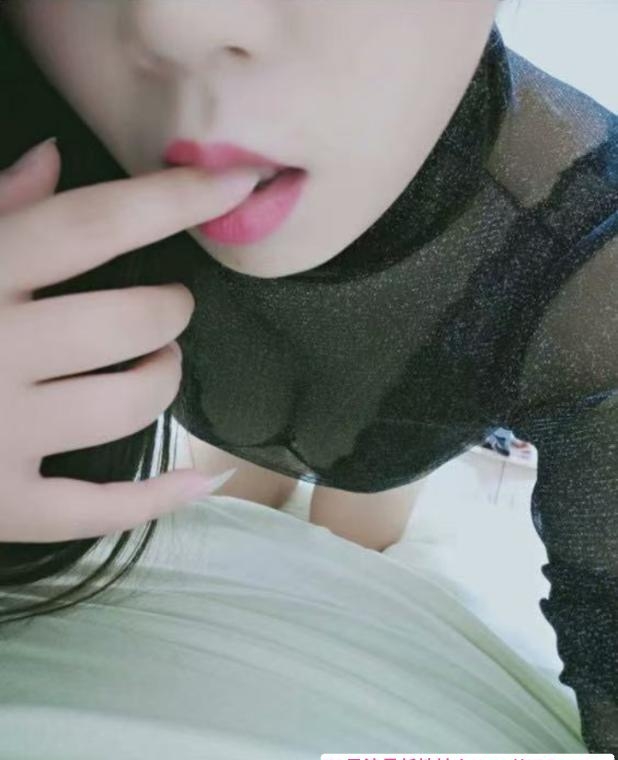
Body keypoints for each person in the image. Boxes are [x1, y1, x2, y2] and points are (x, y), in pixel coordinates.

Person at [0, 1, 615, 754]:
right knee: (244, 514)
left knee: (353, 546)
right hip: (229, 407)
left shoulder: (591, 263)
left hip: (394, 422)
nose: (173, 20)